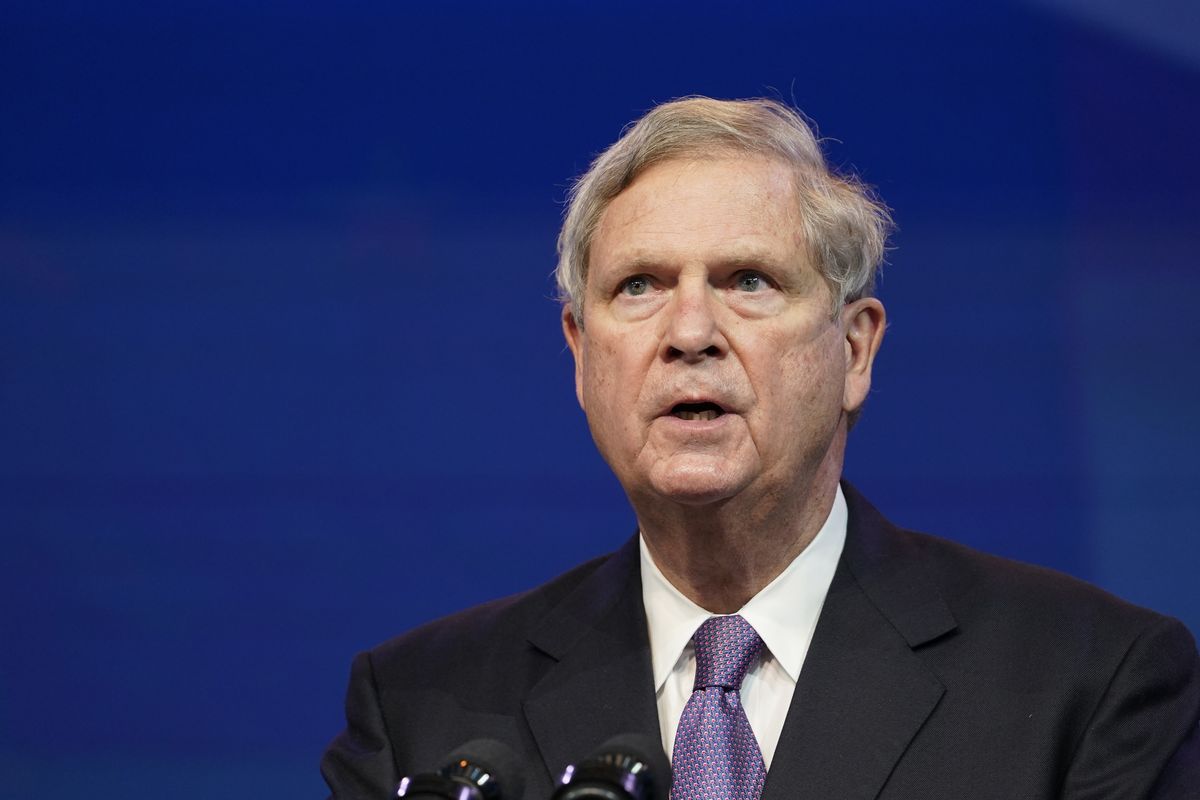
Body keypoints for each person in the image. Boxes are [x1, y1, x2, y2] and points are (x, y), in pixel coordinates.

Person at [322, 97, 1200, 799]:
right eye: (639, 286)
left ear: (854, 351)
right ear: (581, 355)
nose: (690, 331)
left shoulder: (1087, 684)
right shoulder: (419, 714)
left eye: (748, 281)